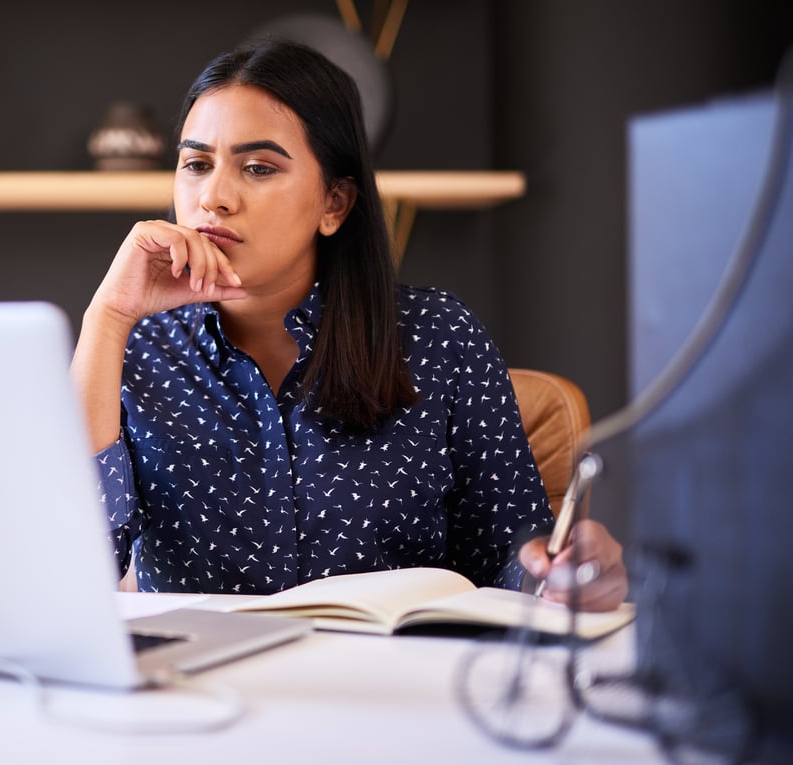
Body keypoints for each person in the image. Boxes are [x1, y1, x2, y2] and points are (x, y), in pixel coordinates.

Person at [70, 39, 627, 612]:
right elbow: (67, 569)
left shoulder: (439, 337)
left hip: (392, 689)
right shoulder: (136, 348)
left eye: (258, 167)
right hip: (198, 694)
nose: (214, 197)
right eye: (196, 164)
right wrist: (107, 318)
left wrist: (565, 574)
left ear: (334, 203)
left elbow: (514, 561)